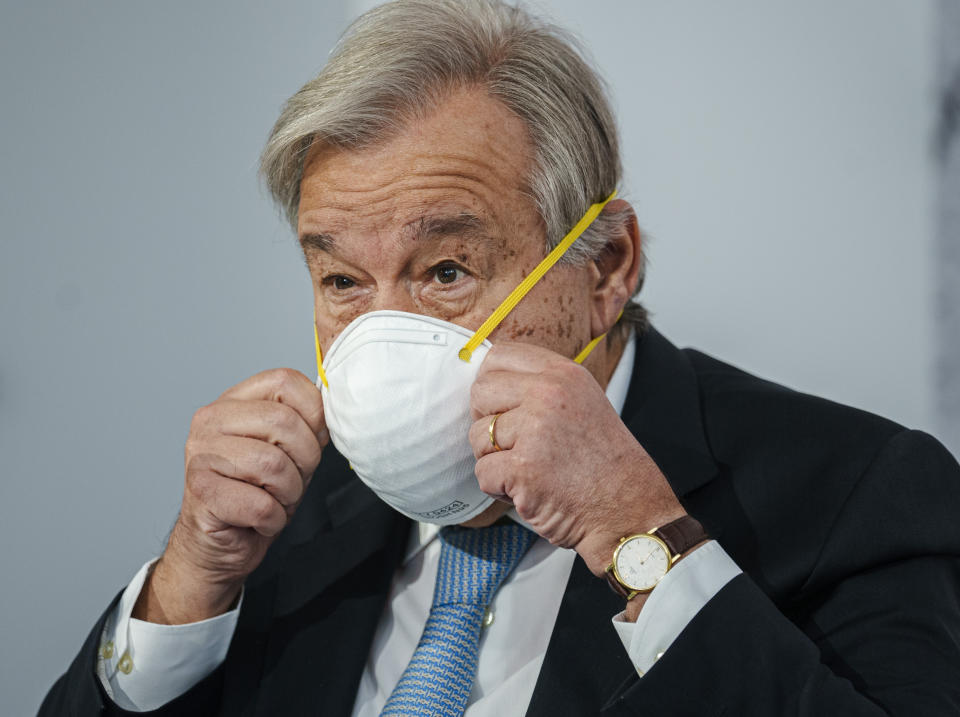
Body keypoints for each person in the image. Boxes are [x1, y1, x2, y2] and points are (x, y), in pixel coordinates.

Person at [41, 1, 960, 715]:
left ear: (605, 267)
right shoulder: (283, 519)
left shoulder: (855, 492)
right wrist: (186, 584)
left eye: (445, 270)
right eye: (342, 282)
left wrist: (641, 538)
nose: (383, 342)